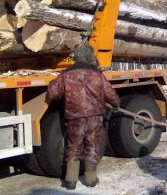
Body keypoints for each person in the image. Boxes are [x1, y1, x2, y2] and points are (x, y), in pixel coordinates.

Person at [46, 44, 120, 190]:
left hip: (75, 117)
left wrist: (55, 83)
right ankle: (91, 179)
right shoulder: (97, 74)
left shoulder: (66, 74)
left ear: (77, 57)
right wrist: (116, 103)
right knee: (92, 145)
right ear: (90, 57)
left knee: (73, 146)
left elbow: (53, 93)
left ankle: (71, 180)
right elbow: (109, 93)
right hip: (95, 116)